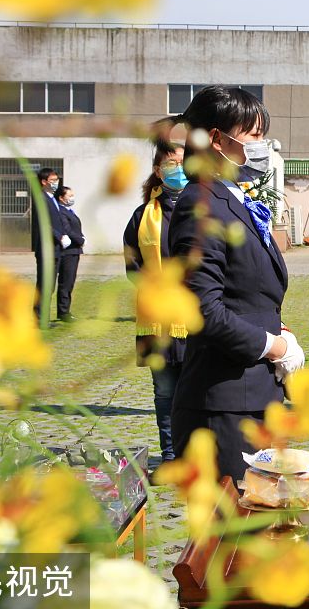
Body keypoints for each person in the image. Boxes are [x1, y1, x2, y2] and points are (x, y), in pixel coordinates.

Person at [167, 86, 305, 481]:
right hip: (222, 407)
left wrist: (279, 330)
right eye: (255, 136)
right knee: (232, 533)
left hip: (253, 397)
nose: (264, 147)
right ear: (216, 140)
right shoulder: (201, 205)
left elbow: (245, 293)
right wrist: (274, 346)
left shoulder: (230, 198)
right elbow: (203, 309)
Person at [123, 141, 189, 464]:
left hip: (194, 319)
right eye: (171, 164)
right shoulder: (142, 216)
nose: (177, 170)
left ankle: (194, 454)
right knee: (164, 392)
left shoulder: (200, 208)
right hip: (155, 320)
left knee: (195, 389)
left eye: (182, 162)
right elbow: (131, 264)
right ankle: (170, 454)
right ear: (157, 171)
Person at [30, 167, 67, 321]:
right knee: (44, 284)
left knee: (50, 285)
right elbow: (45, 224)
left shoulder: (52, 198)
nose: (55, 183)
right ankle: (39, 318)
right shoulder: (41, 198)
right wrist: (59, 237)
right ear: (43, 182)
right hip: (46, 249)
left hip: (55, 249)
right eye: (52, 180)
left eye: (57, 180)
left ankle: (44, 317)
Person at [54, 184, 85, 322]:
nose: (72, 198)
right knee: (66, 282)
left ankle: (65, 310)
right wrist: (80, 240)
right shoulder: (61, 211)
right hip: (68, 250)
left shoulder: (69, 211)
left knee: (70, 281)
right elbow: (67, 230)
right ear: (61, 198)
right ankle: (63, 312)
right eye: (69, 195)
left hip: (74, 250)